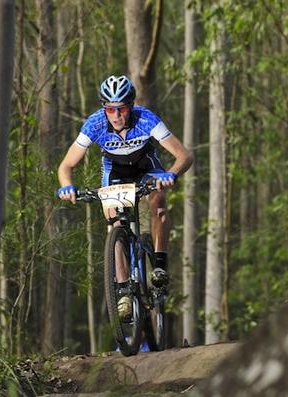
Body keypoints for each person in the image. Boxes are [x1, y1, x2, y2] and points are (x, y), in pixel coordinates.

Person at [57, 75, 193, 321]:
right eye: (110, 109)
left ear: (131, 106)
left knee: (158, 201)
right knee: (114, 225)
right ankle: (123, 293)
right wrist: (67, 187)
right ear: (104, 108)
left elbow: (184, 156)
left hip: (146, 164)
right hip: (115, 170)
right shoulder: (95, 124)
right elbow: (66, 165)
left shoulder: (147, 119)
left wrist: (171, 174)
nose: (117, 115)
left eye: (122, 108)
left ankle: (159, 264)